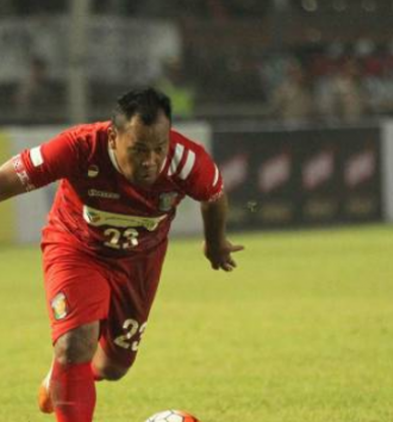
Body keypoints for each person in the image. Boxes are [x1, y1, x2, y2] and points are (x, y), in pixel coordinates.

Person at [0, 87, 243, 422]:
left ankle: (60, 377)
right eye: (139, 149)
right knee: (74, 345)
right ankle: (69, 366)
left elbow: (214, 196)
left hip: (139, 262)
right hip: (77, 249)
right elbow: (6, 179)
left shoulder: (187, 161)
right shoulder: (80, 147)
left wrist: (215, 243)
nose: (151, 161)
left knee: (113, 366)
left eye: (159, 148)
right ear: (113, 137)